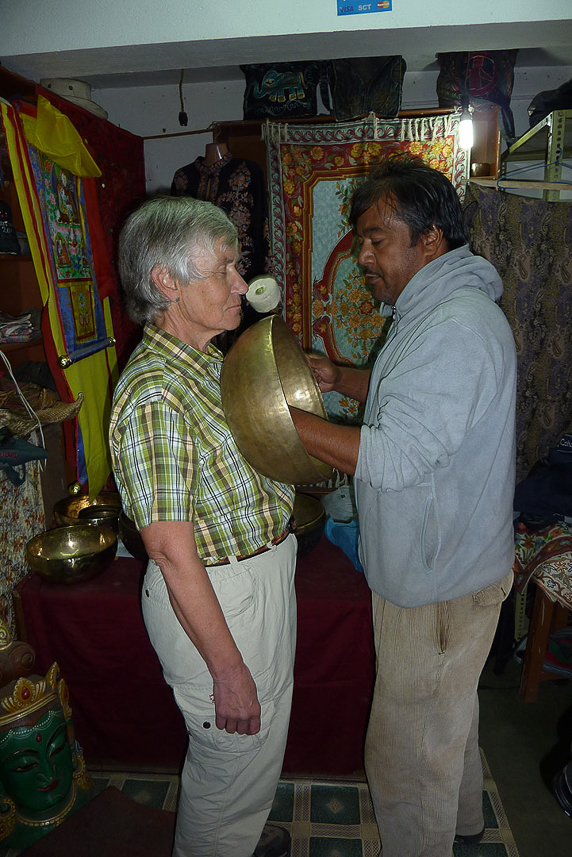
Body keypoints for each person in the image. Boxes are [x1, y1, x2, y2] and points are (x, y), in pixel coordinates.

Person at [290, 154, 516, 857]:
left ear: (429, 240)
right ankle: (462, 829)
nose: (361, 256)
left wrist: (280, 423)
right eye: (360, 239)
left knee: (407, 750)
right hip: (451, 571)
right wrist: (336, 378)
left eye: (374, 238)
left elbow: (395, 455)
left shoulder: (454, 325)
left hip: (437, 589)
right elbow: (403, 404)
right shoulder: (432, 310)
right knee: (447, 719)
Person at [109, 196, 296, 857]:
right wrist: (227, 669)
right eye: (223, 268)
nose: (241, 283)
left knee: (253, 749)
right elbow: (168, 548)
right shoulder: (155, 389)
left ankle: (237, 835)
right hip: (217, 597)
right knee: (229, 760)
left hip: (248, 581)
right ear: (167, 282)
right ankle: (217, 841)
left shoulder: (206, 362)